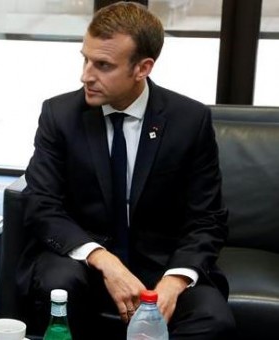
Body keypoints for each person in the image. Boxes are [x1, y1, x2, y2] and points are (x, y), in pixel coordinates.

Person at [17, 2, 235, 339]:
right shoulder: (59, 115)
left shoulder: (189, 121)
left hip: (161, 265)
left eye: (103, 65)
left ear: (142, 68)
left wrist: (174, 282)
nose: (86, 75)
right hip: (84, 261)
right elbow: (41, 205)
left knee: (213, 319)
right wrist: (104, 260)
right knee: (55, 284)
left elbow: (207, 219)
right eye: (85, 59)